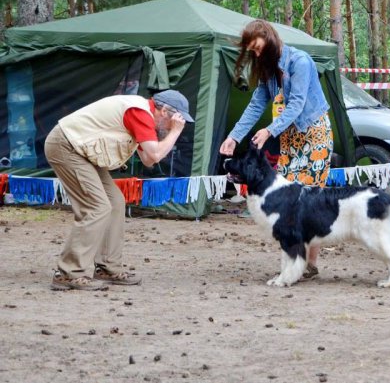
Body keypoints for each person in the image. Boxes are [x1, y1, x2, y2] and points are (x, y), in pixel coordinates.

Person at [219, 19, 333, 278]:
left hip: (314, 136)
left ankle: (309, 265)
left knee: (308, 201)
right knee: (289, 203)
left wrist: (269, 130)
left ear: (269, 39)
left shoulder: (300, 62)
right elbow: (256, 105)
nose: (256, 55)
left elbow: (296, 104)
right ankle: (296, 261)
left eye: (258, 49)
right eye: (253, 52)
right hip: (289, 139)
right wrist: (234, 137)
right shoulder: (268, 69)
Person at [46, 90, 192, 290]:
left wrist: (172, 131)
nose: (174, 126)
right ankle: (68, 273)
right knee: (97, 207)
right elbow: (156, 155)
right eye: (174, 121)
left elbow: (148, 160)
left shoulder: (143, 116)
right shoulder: (139, 112)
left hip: (81, 151)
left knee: (115, 202)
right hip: (67, 147)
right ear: (164, 111)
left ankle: (107, 267)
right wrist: (175, 132)